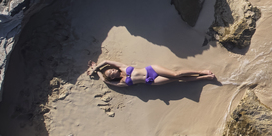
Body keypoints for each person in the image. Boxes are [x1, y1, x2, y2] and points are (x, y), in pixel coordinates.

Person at [87, 59, 216, 87]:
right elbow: (105, 81)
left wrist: (95, 68)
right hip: (151, 81)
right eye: (111, 73)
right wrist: (98, 73)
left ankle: (200, 71)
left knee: (176, 74)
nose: (113, 70)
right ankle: (204, 78)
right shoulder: (121, 82)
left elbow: (105, 61)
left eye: (111, 69)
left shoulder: (122, 68)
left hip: (151, 70)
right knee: (177, 80)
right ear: (113, 77)